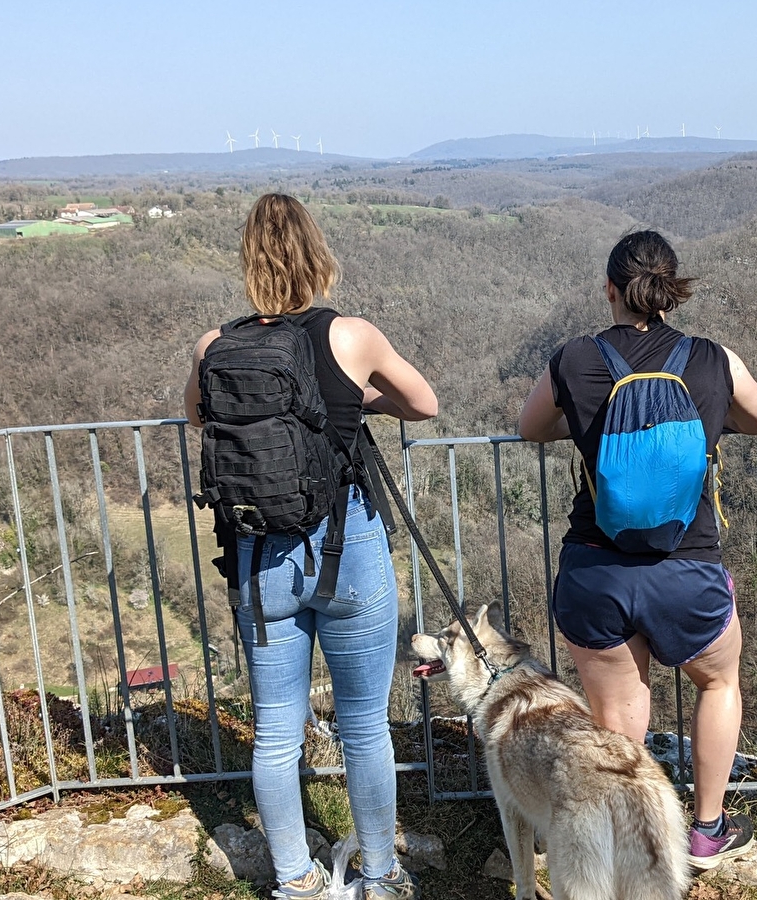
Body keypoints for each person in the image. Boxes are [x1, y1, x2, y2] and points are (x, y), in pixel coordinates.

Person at [184, 193, 437, 900]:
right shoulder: (352, 336)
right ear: (316, 256)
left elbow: (198, 417)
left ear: (249, 263)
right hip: (347, 541)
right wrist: (356, 402)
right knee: (364, 728)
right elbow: (424, 402)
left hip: (258, 551)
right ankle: (381, 875)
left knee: (274, 732)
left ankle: (295, 879)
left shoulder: (215, 346)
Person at [517, 230, 757, 869]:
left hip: (597, 569)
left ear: (609, 289)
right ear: (671, 289)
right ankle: (708, 830)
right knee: (718, 684)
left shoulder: (575, 360)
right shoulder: (712, 359)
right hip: (688, 568)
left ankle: (626, 842)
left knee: (618, 714)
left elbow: (528, 428)